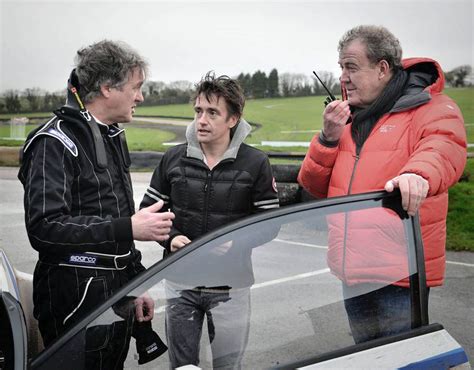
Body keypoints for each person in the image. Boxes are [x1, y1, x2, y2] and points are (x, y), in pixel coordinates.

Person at [298, 25, 467, 343]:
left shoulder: (431, 107)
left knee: (402, 360)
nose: (343, 77)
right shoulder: (350, 119)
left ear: (382, 68)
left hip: (401, 274)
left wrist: (417, 174)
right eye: (341, 68)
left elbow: (443, 148)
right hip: (353, 272)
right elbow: (313, 185)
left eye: (351, 67)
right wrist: (327, 139)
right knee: (367, 358)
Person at [18, 40, 173, 368]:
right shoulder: (53, 143)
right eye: (137, 87)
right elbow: (44, 229)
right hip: (73, 300)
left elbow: (111, 219)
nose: (141, 97)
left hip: (115, 295)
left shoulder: (110, 135)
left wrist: (135, 283)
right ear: (106, 88)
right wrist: (129, 226)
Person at [139, 72, 280, 368]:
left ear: (233, 119)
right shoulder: (173, 159)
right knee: (183, 367)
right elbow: (148, 211)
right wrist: (170, 237)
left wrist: (234, 241)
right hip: (180, 284)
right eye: (198, 111)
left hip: (231, 289)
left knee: (228, 367)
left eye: (212, 112)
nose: (201, 120)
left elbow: (269, 223)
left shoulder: (256, 163)